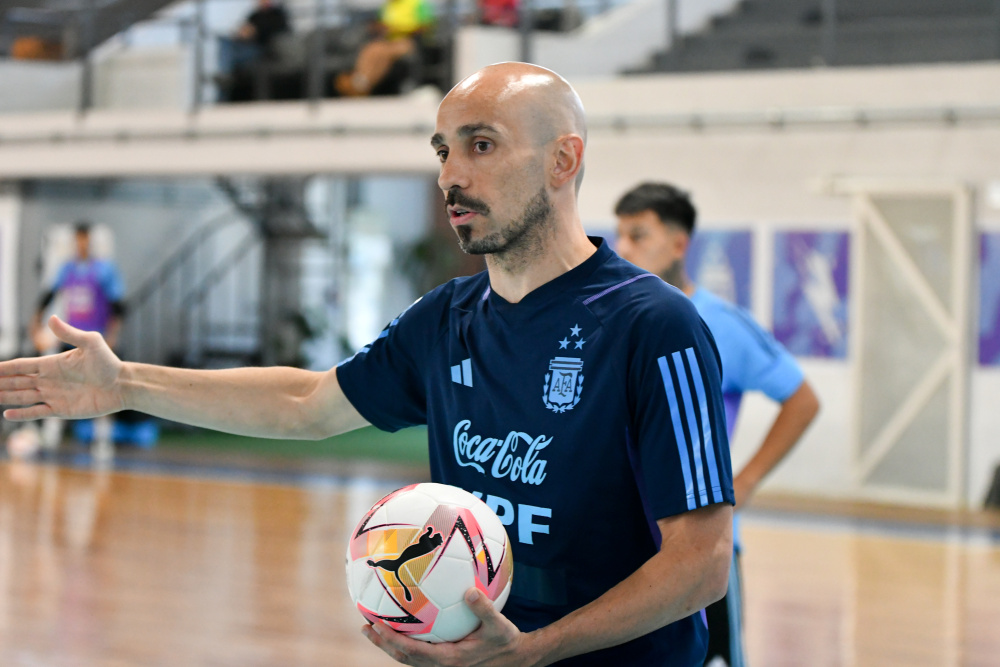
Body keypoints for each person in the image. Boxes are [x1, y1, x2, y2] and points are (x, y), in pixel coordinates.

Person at [0, 63, 733, 666]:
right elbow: (307, 402)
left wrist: (537, 650)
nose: (451, 175)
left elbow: (701, 564)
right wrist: (126, 382)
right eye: (443, 149)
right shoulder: (445, 319)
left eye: (481, 144)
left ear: (563, 159)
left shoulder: (653, 325)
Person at [615, 182, 821, 667]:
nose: (623, 248)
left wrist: (745, 480)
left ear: (679, 244)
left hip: (699, 546)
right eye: (620, 235)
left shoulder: (721, 323)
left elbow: (803, 400)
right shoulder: (615, 321)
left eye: (638, 235)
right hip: (622, 542)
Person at [30, 221, 125, 461]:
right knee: (59, 382)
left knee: (104, 385)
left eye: (85, 239)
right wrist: (35, 323)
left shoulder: (104, 270)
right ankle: (52, 434)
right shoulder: (67, 269)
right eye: (78, 239)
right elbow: (49, 295)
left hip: (96, 338)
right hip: (71, 336)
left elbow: (119, 306)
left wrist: (113, 334)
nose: (81, 244)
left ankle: (103, 439)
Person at [334, 0, 434, 97]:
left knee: (384, 53)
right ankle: (360, 81)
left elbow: (424, 26)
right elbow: (381, 24)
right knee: (371, 49)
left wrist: (398, 28)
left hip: (409, 41)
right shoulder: (387, 5)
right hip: (388, 41)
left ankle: (361, 85)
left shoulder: (418, 3)